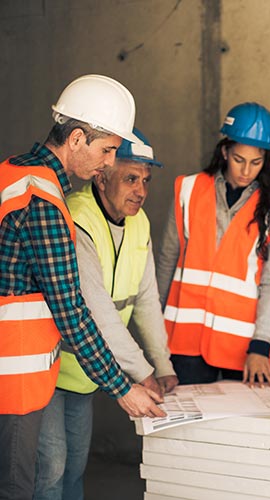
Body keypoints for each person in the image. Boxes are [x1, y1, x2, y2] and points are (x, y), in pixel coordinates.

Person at [0, 74, 165, 500]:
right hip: (16, 378)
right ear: (76, 138)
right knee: (21, 487)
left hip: (19, 371)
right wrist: (122, 387)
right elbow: (72, 311)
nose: (110, 162)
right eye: (107, 149)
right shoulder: (45, 202)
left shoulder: (13, 172)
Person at [33, 128, 178, 500]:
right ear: (102, 174)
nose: (141, 191)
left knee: (75, 469)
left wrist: (163, 365)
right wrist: (142, 373)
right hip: (52, 370)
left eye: (146, 180)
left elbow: (146, 299)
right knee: (50, 469)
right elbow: (97, 312)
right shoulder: (76, 218)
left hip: (89, 373)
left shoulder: (139, 223)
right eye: (131, 178)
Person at [157, 102, 270, 386]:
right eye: (238, 159)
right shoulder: (188, 190)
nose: (246, 170)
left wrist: (260, 345)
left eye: (256, 162)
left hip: (245, 349)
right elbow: (167, 261)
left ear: (266, 160)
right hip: (185, 341)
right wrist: (154, 340)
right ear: (224, 151)